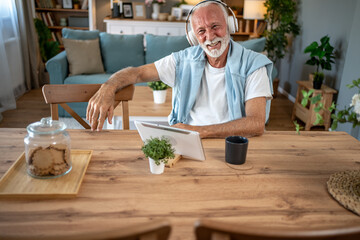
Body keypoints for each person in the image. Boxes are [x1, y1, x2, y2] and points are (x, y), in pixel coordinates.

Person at [87, 0, 273, 138]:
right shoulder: (183, 60)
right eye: (201, 31)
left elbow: (256, 123)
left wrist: (199, 131)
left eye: (215, 26)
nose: (210, 36)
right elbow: (137, 72)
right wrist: (108, 87)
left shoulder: (253, 64)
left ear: (230, 25)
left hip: (232, 144)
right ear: (193, 37)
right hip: (187, 141)